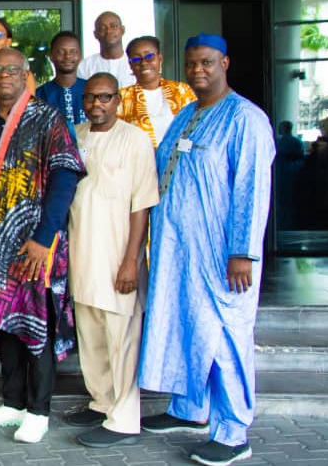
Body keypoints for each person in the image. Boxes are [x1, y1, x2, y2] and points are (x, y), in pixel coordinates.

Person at [139, 33, 274, 466]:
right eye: (192, 63)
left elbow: (252, 188)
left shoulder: (245, 119)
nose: (198, 70)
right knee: (188, 327)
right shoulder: (188, 113)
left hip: (221, 254)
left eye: (207, 63)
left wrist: (242, 252)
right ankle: (190, 409)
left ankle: (233, 433)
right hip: (180, 251)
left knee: (224, 337)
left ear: (224, 63)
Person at [0, 48, 83, 444]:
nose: (4, 75)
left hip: (33, 245)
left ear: (25, 74)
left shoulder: (48, 118)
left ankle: (39, 411)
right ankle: (13, 403)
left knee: (36, 324)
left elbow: (66, 176)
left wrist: (44, 238)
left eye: (11, 69)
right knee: (4, 322)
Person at [66, 73, 158, 448]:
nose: (96, 104)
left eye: (104, 97)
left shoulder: (135, 140)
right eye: (90, 97)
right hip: (82, 254)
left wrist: (131, 261)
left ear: (117, 100)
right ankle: (102, 401)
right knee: (91, 337)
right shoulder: (75, 135)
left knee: (122, 339)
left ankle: (124, 419)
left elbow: (142, 205)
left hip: (118, 257)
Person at [117, 36, 197, 147]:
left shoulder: (182, 90)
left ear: (160, 58)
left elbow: (195, 129)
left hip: (178, 156)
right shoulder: (121, 97)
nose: (143, 63)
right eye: (136, 59)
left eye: (149, 56)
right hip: (139, 157)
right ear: (130, 65)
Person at [35, 31, 87, 129]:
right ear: (51, 56)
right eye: (61, 52)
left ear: (80, 56)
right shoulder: (40, 95)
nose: (67, 56)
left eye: (73, 51)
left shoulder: (91, 90)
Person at [78, 12, 135, 88]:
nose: (108, 31)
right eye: (102, 28)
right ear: (95, 34)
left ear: (122, 30)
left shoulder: (135, 62)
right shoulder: (85, 66)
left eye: (113, 26)